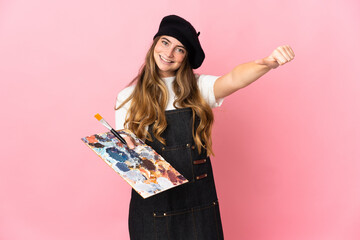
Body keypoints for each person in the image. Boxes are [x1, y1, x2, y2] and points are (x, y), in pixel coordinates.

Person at [115, 14, 294, 240]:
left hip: (198, 203)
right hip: (153, 209)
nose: (169, 53)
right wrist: (125, 149)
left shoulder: (198, 88)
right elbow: (128, 163)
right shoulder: (127, 98)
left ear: (186, 57)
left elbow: (234, 79)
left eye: (179, 49)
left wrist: (267, 63)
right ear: (155, 44)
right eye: (165, 42)